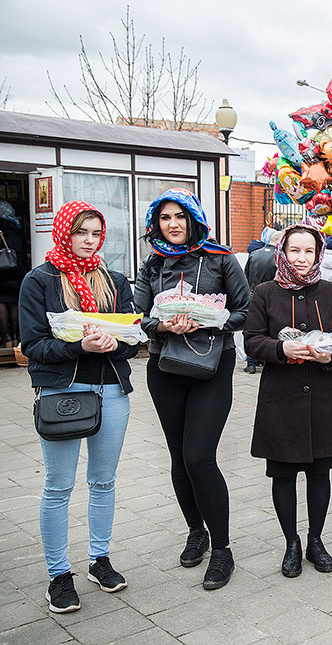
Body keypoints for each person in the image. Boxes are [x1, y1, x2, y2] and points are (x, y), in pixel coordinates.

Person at [18, 202, 139, 613]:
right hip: (61, 392)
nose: (88, 241)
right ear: (64, 232)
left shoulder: (114, 280)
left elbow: (133, 339)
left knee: (103, 481)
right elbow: (33, 345)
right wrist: (78, 346)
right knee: (59, 486)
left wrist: (115, 342)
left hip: (111, 389)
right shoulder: (40, 280)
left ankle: (99, 560)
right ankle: (58, 575)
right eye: (80, 232)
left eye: (95, 233)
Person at [134, 188, 250, 591]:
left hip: (211, 365)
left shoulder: (220, 258)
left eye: (180, 216)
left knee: (199, 456)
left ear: (194, 219)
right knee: (179, 457)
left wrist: (210, 319)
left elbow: (245, 310)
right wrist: (161, 325)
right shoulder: (152, 263)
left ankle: (222, 549)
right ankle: (195, 531)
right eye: (165, 217)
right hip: (165, 366)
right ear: (156, 223)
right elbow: (137, 316)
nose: (173, 224)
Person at [244, 225, 332, 578]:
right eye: (295, 251)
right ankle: (291, 543)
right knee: (283, 474)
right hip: (280, 398)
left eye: (309, 251)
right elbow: (251, 340)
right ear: (283, 253)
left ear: (318, 254)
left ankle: (315, 540)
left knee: (320, 472)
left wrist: (330, 356)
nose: (302, 258)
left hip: (321, 396)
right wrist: (281, 348)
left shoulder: (331, 292)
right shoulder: (265, 292)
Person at [243, 229, 280, 374]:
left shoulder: (254, 254)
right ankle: (264, 359)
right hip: (271, 297)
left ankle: (251, 362)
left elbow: (246, 276)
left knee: (252, 327)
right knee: (268, 327)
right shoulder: (278, 257)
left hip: (252, 295)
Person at [0, 200, 26, 347]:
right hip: (17, 271)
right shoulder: (17, 227)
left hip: (2, 272)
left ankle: (6, 337)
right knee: (15, 302)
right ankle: (16, 336)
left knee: (1, 302)